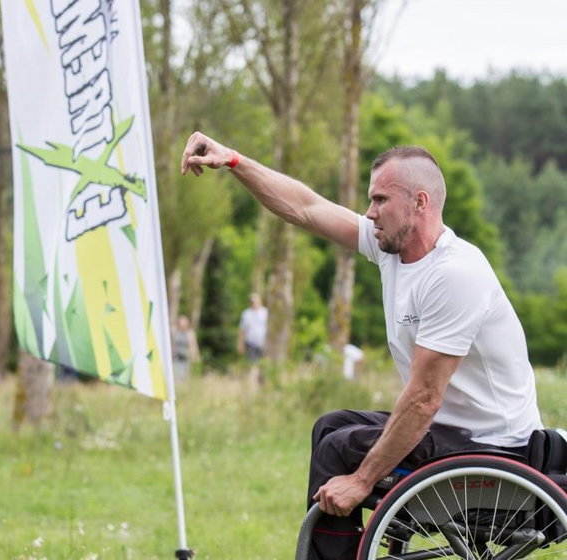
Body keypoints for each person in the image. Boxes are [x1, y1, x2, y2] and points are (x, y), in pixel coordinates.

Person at [181, 133, 543, 559]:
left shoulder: (454, 273)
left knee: (341, 450)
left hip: (493, 446)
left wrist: (361, 481)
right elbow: (306, 208)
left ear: (420, 203)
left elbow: (424, 398)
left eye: (380, 200)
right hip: (454, 432)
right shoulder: (393, 248)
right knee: (331, 427)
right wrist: (236, 161)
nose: (369, 212)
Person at [172, 314, 200, 381]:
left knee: (184, 375)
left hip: (185, 357)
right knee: (175, 374)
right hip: (175, 357)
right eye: (181, 322)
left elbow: (194, 345)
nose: (182, 324)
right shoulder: (175, 331)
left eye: (184, 322)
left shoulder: (190, 333)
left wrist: (196, 356)